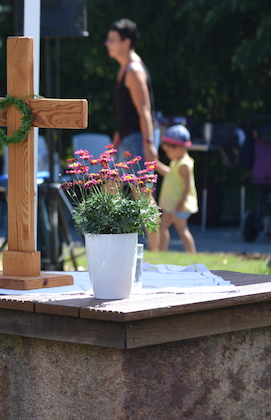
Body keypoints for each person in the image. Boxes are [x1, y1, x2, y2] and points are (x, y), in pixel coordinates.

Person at [105, 18, 160, 251]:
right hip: (128, 139)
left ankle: (157, 250)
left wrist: (149, 144)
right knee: (110, 188)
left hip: (138, 140)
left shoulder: (134, 70)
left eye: (112, 39)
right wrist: (114, 145)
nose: (107, 43)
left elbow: (144, 109)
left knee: (143, 196)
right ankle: (112, 245)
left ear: (126, 42)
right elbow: (125, 115)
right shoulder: (124, 69)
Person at [155, 125, 198, 253]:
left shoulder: (184, 165)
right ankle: (161, 252)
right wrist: (156, 164)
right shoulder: (176, 162)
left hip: (180, 205)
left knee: (182, 230)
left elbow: (188, 185)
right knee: (162, 228)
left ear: (178, 148)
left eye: (168, 151)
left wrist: (181, 202)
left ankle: (192, 254)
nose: (167, 154)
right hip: (172, 204)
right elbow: (169, 173)